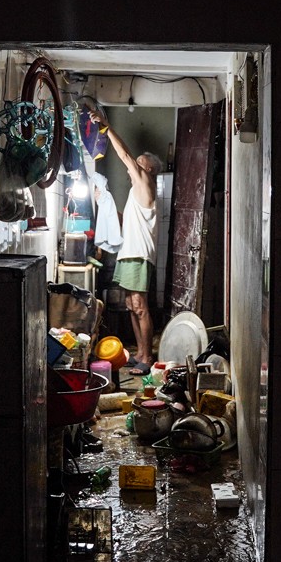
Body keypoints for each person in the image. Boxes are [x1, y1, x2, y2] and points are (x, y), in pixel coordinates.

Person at [89, 110, 163, 375]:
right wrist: (106, 203)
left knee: (140, 307)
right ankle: (140, 353)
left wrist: (107, 128)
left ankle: (147, 357)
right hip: (129, 254)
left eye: (139, 164)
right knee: (132, 305)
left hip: (139, 256)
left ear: (149, 170)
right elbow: (125, 221)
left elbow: (125, 156)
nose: (133, 167)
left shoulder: (146, 184)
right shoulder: (136, 193)